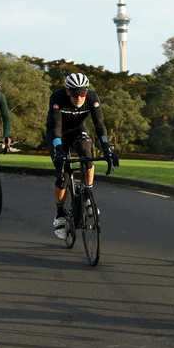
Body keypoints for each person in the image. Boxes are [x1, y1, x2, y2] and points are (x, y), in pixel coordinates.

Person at [46, 72, 117, 239]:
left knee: (87, 154)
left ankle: (87, 194)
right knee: (62, 174)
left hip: (78, 130)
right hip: (57, 134)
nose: (79, 97)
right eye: (75, 93)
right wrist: (57, 149)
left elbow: (99, 125)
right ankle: (60, 213)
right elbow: (56, 126)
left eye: (82, 93)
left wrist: (107, 147)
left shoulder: (92, 97)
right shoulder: (57, 97)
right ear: (68, 91)